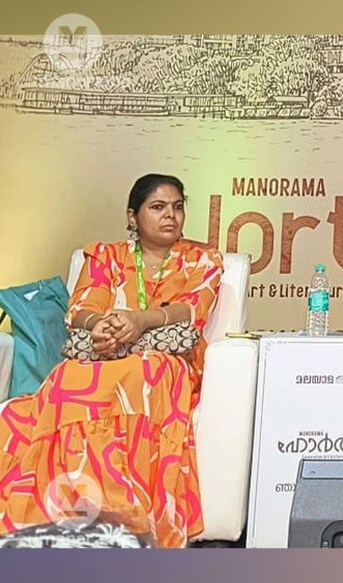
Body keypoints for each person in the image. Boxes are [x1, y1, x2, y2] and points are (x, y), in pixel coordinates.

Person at [0, 174, 223, 548]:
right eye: (158, 207)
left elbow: (192, 309)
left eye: (177, 207)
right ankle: (61, 504)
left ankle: (121, 508)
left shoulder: (203, 258)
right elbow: (81, 308)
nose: (170, 215)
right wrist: (100, 325)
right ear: (132, 216)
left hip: (166, 359)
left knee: (144, 370)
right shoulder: (106, 255)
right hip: (106, 351)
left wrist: (140, 321)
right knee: (69, 375)